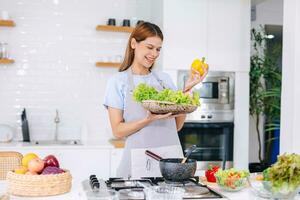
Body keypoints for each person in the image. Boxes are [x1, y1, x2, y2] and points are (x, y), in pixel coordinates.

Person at [104, 22, 207, 178]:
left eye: (158, 49)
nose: (154, 54)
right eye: (149, 47)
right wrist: (148, 120)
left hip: (172, 163)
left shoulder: (164, 79)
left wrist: (186, 91)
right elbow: (118, 130)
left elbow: (177, 126)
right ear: (134, 44)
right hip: (139, 161)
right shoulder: (118, 82)